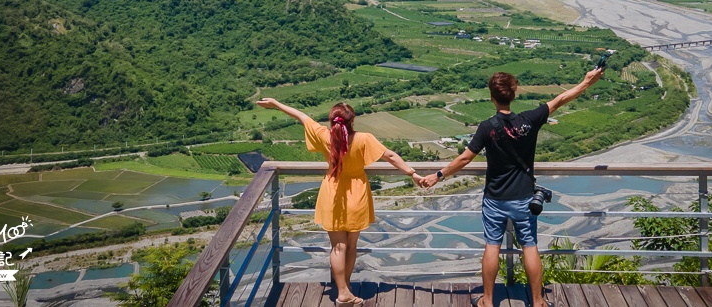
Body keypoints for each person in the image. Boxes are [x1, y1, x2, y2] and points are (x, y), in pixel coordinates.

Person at [421, 66, 605, 307]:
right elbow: (560, 99)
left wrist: (438, 175)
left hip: (495, 197)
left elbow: (465, 158)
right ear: (514, 94)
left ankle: (487, 300)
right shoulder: (529, 120)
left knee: (492, 246)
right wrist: (587, 82)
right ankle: (538, 301)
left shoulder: (487, 127)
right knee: (530, 246)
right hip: (524, 198)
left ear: (491, 97)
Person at [256, 98, 423, 307]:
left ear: (331, 120)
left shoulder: (324, 136)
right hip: (357, 193)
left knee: (337, 246)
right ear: (352, 121)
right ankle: (345, 289)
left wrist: (276, 103)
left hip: (332, 193)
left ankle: (342, 290)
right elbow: (389, 155)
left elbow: (300, 115)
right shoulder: (364, 139)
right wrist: (412, 173)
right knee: (351, 245)